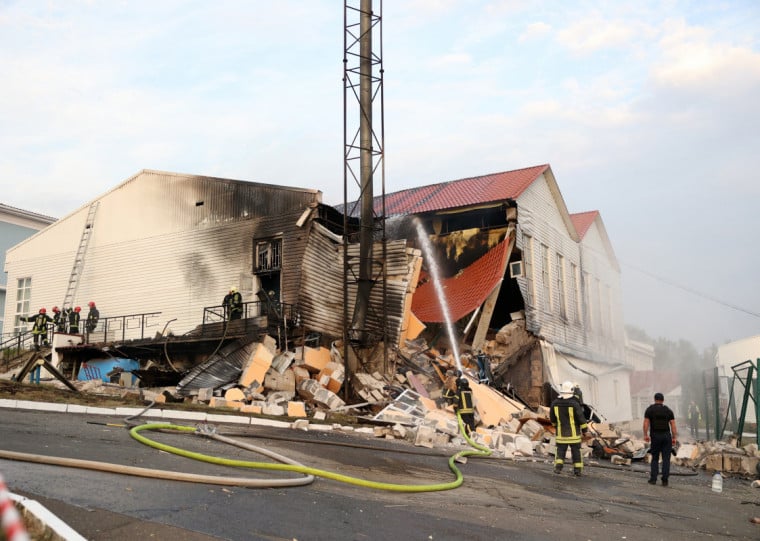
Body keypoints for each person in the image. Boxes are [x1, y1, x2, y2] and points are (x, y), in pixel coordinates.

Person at [550, 380, 589, 476]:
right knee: (576, 452)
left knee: (560, 452)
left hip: (561, 435)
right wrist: (585, 431)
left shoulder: (555, 403)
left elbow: (552, 419)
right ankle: (577, 471)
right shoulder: (575, 404)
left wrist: (556, 427)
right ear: (572, 391)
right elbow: (581, 419)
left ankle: (558, 468)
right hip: (574, 436)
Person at [643, 392, 677, 486]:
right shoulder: (668, 410)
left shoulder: (650, 410)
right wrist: (674, 437)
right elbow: (673, 425)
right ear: (663, 400)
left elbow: (646, 423)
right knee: (666, 459)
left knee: (655, 458)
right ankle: (665, 480)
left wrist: (645, 435)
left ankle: (653, 479)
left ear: (654, 399)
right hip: (666, 436)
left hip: (655, 436)